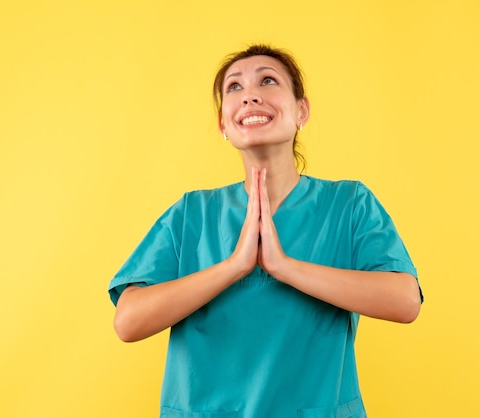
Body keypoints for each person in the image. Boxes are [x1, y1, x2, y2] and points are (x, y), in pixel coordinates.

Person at [108, 44, 423, 418]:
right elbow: (128, 322)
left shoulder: (349, 204)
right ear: (223, 124)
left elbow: (405, 301)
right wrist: (234, 266)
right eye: (234, 87)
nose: (250, 95)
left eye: (268, 81)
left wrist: (284, 266)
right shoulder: (191, 214)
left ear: (301, 111)